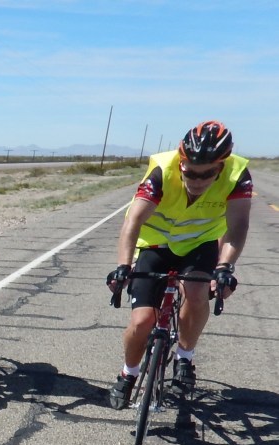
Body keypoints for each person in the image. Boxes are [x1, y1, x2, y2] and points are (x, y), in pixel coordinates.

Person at [106, 120, 251, 409]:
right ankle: (128, 374)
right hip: (155, 244)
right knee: (142, 321)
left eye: (207, 174)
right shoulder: (162, 170)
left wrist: (224, 268)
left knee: (197, 294)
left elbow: (238, 226)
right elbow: (133, 220)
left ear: (221, 166)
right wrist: (123, 265)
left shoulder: (237, 175)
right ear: (181, 160)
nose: (197, 180)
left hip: (199, 244)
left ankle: (185, 357)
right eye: (190, 172)